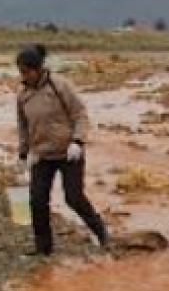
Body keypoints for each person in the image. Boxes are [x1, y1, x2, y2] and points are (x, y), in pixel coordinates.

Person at [16, 44, 109, 256]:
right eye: (20, 71)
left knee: (73, 198)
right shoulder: (22, 95)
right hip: (41, 155)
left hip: (69, 154)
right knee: (37, 200)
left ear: (38, 68)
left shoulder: (60, 86)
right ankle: (43, 248)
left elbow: (80, 115)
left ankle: (101, 232)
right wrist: (23, 154)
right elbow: (22, 125)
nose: (23, 76)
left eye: (26, 71)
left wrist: (78, 141)